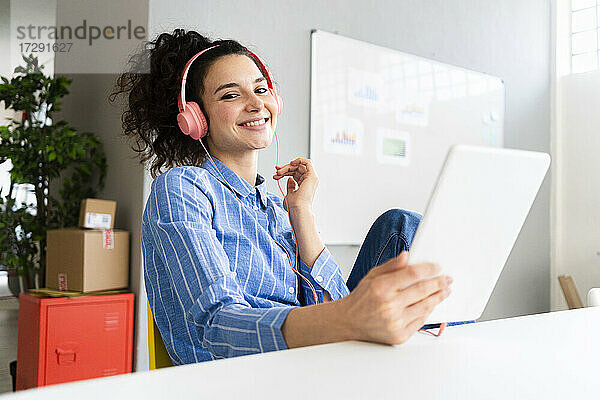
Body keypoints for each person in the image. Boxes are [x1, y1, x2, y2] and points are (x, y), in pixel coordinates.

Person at [111, 29, 452, 365]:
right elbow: (216, 327)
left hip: (308, 361)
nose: (256, 103)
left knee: (400, 226)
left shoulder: (275, 207)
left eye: (261, 89)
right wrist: (346, 318)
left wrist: (302, 213)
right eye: (231, 95)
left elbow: (337, 303)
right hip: (243, 377)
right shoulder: (183, 188)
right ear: (196, 118)